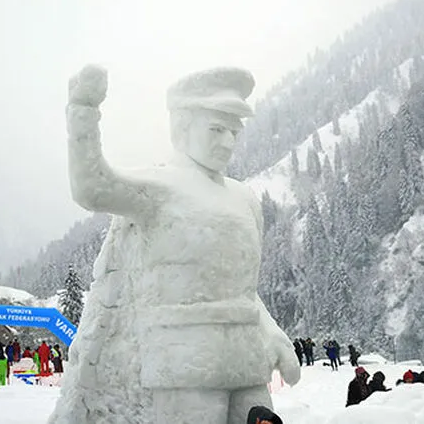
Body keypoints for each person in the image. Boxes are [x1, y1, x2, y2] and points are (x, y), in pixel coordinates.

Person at [47, 65, 300, 424]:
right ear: (181, 127)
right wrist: (84, 111)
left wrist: (271, 332)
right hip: (184, 361)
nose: (228, 142)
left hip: (246, 359)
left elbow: (243, 288)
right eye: (216, 129)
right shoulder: (161, 187)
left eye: (234, 131)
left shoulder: (245, 199)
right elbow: (93, 187)